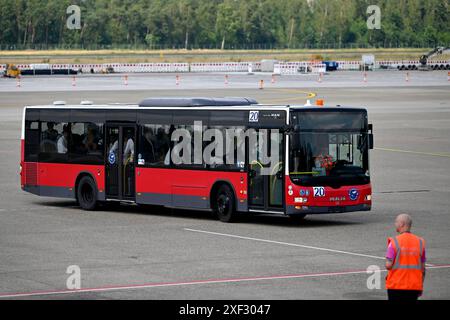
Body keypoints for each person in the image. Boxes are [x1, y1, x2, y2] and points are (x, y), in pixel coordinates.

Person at [385, 213, 426, 301]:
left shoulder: (394, 242)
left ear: (402, 224)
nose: (395, 224)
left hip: (396, 286)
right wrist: (420, 286)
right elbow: (423, 268)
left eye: (396, 222)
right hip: (414, 287)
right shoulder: (420, 242)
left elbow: (388, 265)